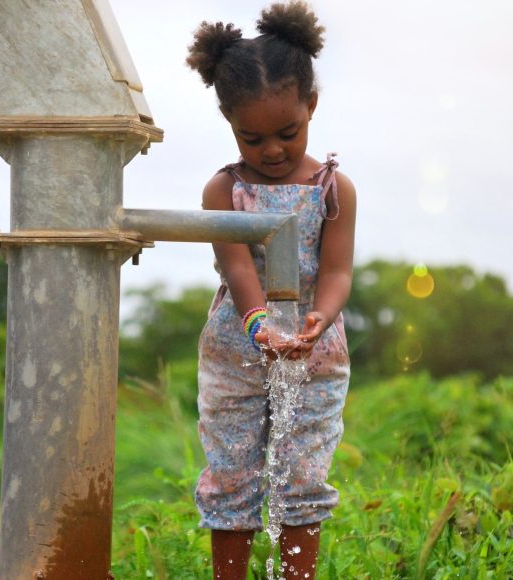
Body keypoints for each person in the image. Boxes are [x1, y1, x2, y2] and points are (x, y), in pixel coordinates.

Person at [186, 2, 356, 578]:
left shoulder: (334, 188)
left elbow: (335, 273)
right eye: (251, 137)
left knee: (302, 474)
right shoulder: (222, 191)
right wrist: (259, 325)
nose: (272, 150)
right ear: (227, 120)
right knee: (232, 471)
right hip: (238, 351)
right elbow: (237, 268)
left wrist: (320, 319)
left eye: (288, 132)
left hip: (315, 349)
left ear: (312, 104)